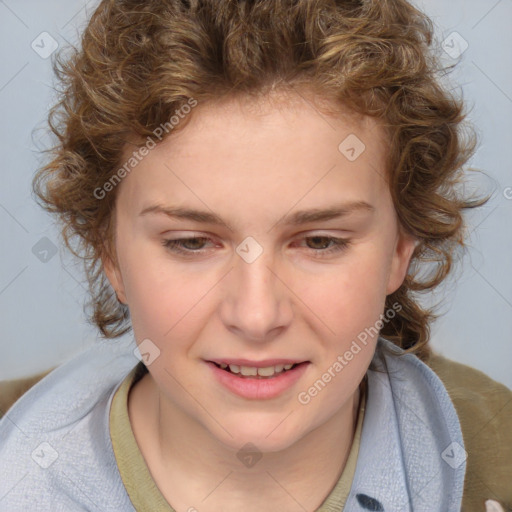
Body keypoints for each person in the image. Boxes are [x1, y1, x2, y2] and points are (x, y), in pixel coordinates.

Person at [0, 0, 510, 510]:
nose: (257, 315)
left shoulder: (497, 457)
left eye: (320, 241)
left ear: (400, 249)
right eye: (191, 243)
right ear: (110, 254)